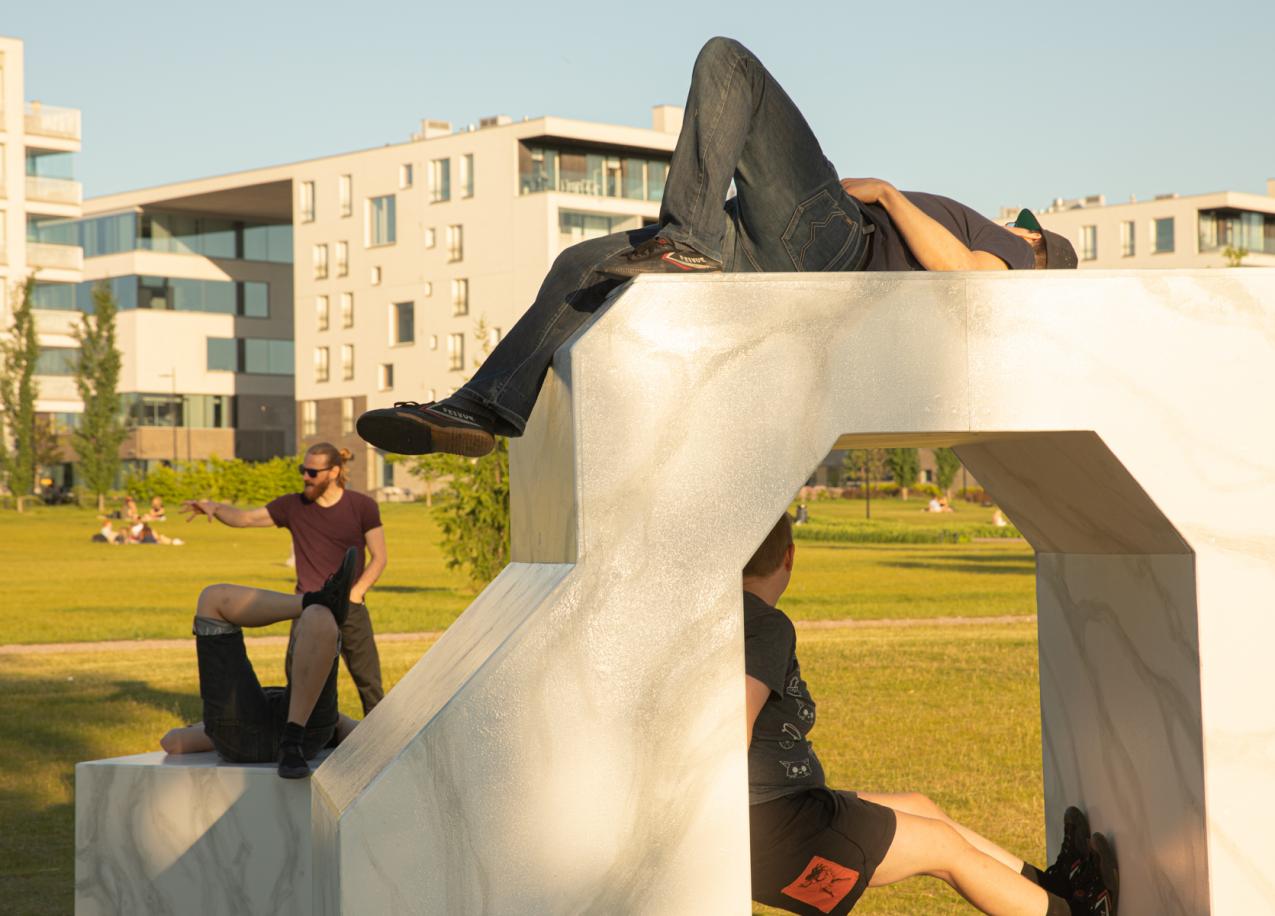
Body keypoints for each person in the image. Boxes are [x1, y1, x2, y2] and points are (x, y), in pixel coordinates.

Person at [355, 37, 1078, 459]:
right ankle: (481, 410)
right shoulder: (995, 236)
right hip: (779, 258)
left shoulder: (1011, 259)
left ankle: (688, 237)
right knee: (582, 264)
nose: (1013, 223)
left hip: (833, 250)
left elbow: (963, 276)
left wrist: (888, 195)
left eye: (1025, 228)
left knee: (728, 61)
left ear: (1038, 250)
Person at [742, 513, 1118, 915]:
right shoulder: (763, 625)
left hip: (782, 809)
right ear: (790, 556)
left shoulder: (734, 616)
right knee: (940, 848)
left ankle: (1049, 888)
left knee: (919, 805)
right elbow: (734, 728)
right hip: (774, 830)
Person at [182, 443, 389, 714]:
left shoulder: (362, 506)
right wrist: (215, 508)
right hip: (308, 607)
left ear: (334, 472)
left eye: (313, 472)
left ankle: (386, 749)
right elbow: (246, 519)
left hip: (350, 607)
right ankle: (307, 743)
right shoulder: (293, 506)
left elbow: (379, 556)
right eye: (303, 470)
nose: (305, 477)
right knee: (301, 686)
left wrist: (357, 591)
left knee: (369, 684)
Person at [159, 547, 361, 778]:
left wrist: (206, 730)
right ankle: (320, 601)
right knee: (319, 616)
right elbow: (363, 734)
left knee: (212, 598)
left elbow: (172, 742)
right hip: (306, 733)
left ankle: (318, 601)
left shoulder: (224, 722)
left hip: (239, 735)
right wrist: (337, 725)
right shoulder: (327, 717)